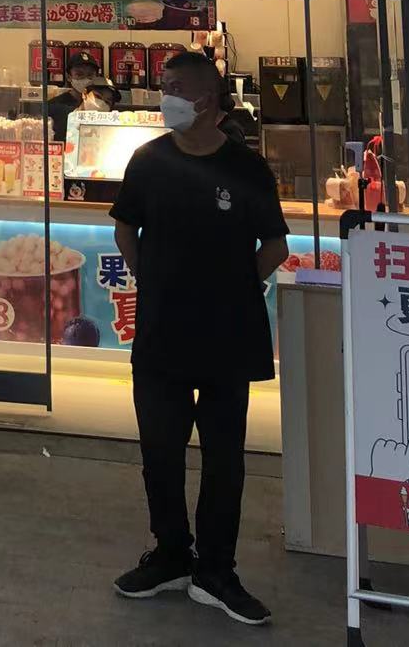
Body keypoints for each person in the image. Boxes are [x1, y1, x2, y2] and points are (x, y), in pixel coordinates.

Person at [110, 49, 288, 627]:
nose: (164, 97)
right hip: (161, 333)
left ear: (205, 99)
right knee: (159, 453)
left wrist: (233, 288)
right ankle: (170, 555)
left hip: (228, 336)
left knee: (224, 458)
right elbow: (124, 228)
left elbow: (275, 245)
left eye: (172, 87)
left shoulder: (247, 168)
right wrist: (154, 280)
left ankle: (216, 571)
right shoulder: (148, 161)